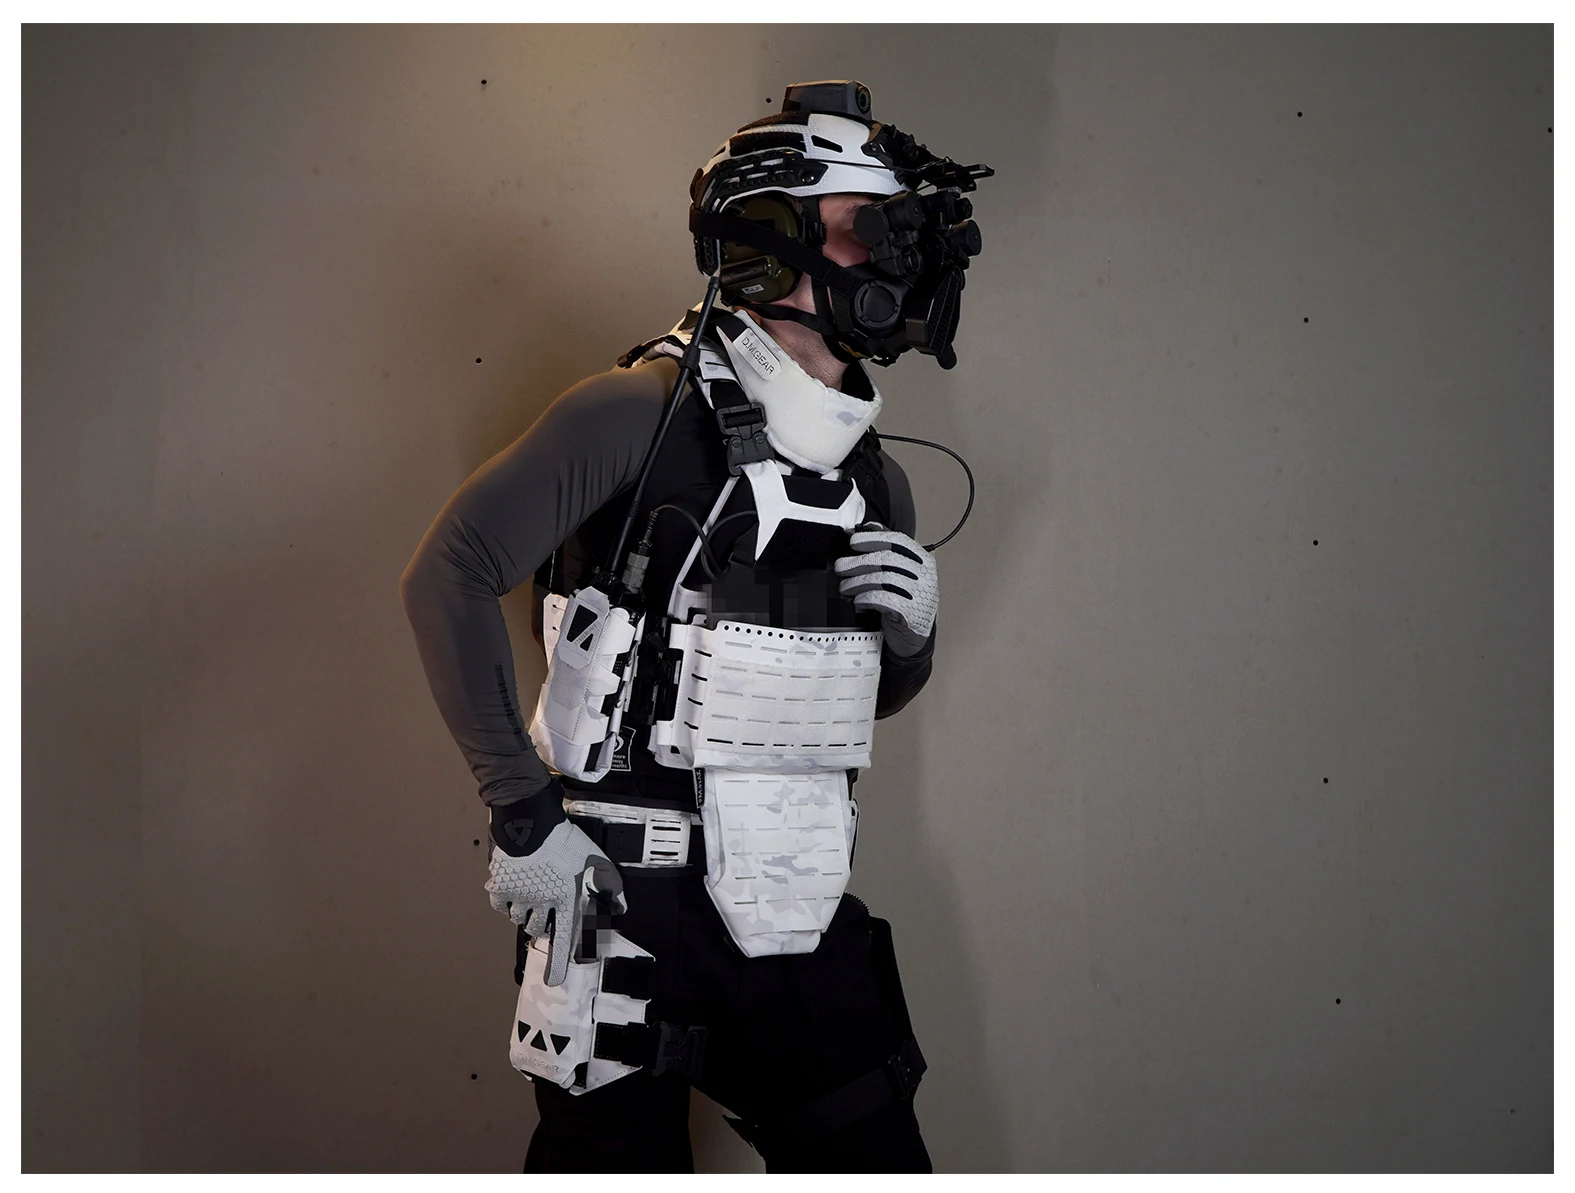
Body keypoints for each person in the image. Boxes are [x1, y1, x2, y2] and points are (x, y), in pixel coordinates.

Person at [399, 79, 990, 1173]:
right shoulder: (634, 415)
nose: (898, 256)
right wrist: (522, 815)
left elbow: (848, 699)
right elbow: (449, 573)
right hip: (619, 894)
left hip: (791, 896)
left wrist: (910, 638)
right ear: (766, 240)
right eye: (870, 227)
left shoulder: (874, 481)